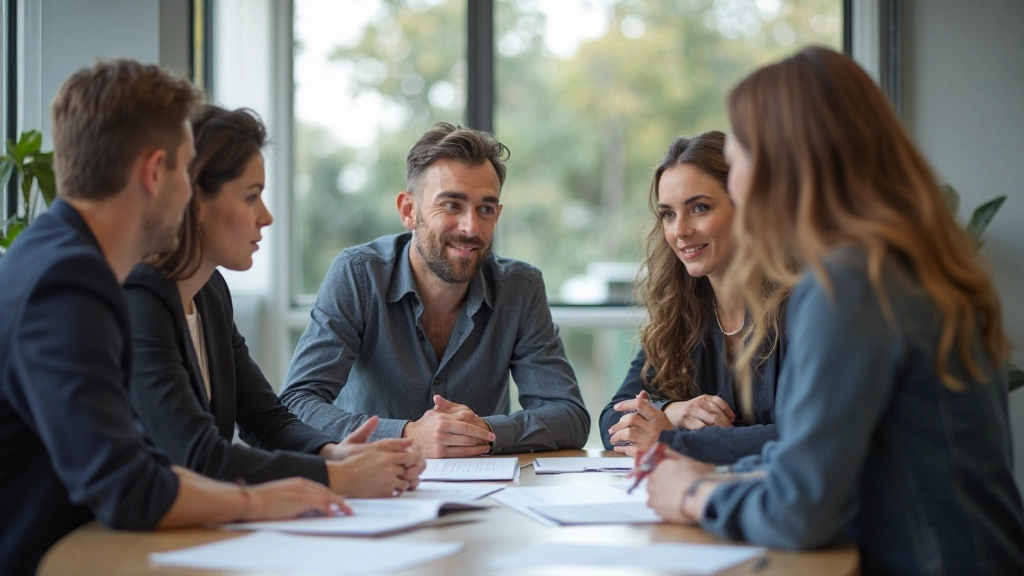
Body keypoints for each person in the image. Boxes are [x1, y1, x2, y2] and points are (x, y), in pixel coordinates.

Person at [645, 46, 1024, 574]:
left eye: (744, 152)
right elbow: (817, 459)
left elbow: (801, 512)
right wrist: (716, 475)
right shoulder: (900, 262)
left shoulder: (852, 284)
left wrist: (694, 497)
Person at [0, 60, 348, 576]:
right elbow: (128, 486)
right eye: (186, 172)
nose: (189, 196)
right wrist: (263, 500)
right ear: (154, 172)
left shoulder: (53, 256)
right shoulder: (68, 283)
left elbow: (143, 462)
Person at [125, 105, 424, 498]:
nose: (266, 217)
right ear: (194, 200)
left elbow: (266, 420)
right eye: (251, 197)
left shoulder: (210, 291)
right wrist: (336, 478)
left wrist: (333, 454)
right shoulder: (138, 301)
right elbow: (198, 456)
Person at [280, 122, 590, 457]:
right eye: (452, 205)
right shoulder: (358, 275)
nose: (471, 227)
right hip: (372, 487)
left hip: (487, 493)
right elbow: (296, 405)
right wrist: (407, 435)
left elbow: (569, 416)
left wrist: (485, 431)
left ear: (497, 214)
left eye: (485, 209)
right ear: (409, 210)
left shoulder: (520, 289)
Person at [599, 131, 784, 464]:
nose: (679, 230)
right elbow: (614, 418)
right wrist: (672, 411)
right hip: (706, 502)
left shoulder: (800, 307)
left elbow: (799, 438)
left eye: (699, 208)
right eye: (668, 214)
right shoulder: (682, 310)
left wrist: (671, 441)